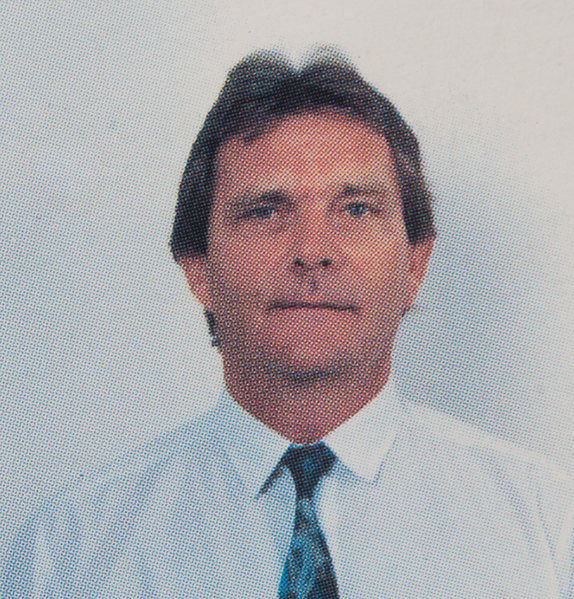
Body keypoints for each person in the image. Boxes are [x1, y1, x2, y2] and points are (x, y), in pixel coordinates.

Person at [3, 51, 573, 599]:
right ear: (199, 268)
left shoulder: (547, 529)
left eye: (356, 210)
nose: (313, 251)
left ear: (415, 265)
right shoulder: (71, 551)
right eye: (266, 212)